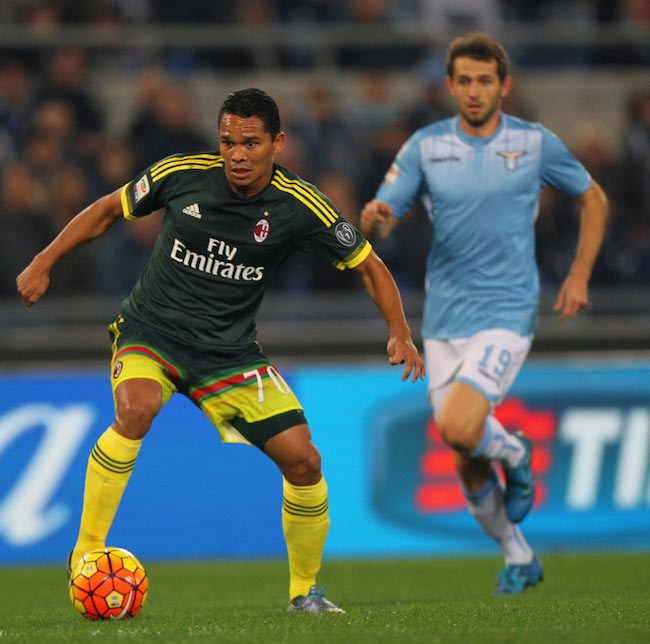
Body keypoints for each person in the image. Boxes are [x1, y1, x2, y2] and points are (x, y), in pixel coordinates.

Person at [17, 88, 425, 613]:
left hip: (229, 354)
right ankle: (87, 553)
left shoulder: (300, 205)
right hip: (151, 332)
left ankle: (305, 593)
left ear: (277, 143)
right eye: (228, 141)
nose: (237, 153)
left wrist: (399, 331)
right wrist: (44, 260)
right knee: (136, 409)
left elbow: (369, 264)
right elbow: (104, 210)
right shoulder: (181, 173)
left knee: (303, 460)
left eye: (250, 143)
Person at [360, 33, 608, 595]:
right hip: (445, 317)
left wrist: (579, 274)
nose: (474, 91)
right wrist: (375, 218)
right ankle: (519, 556)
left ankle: (516, 453)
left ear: (505, 86)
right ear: (450, 86)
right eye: (464, 81)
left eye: (485, 81)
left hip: (507, 309)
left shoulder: (534, 142)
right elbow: (386, 217)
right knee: (463, 453)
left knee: (460, 426)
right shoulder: (425, 147)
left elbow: (593, 198)